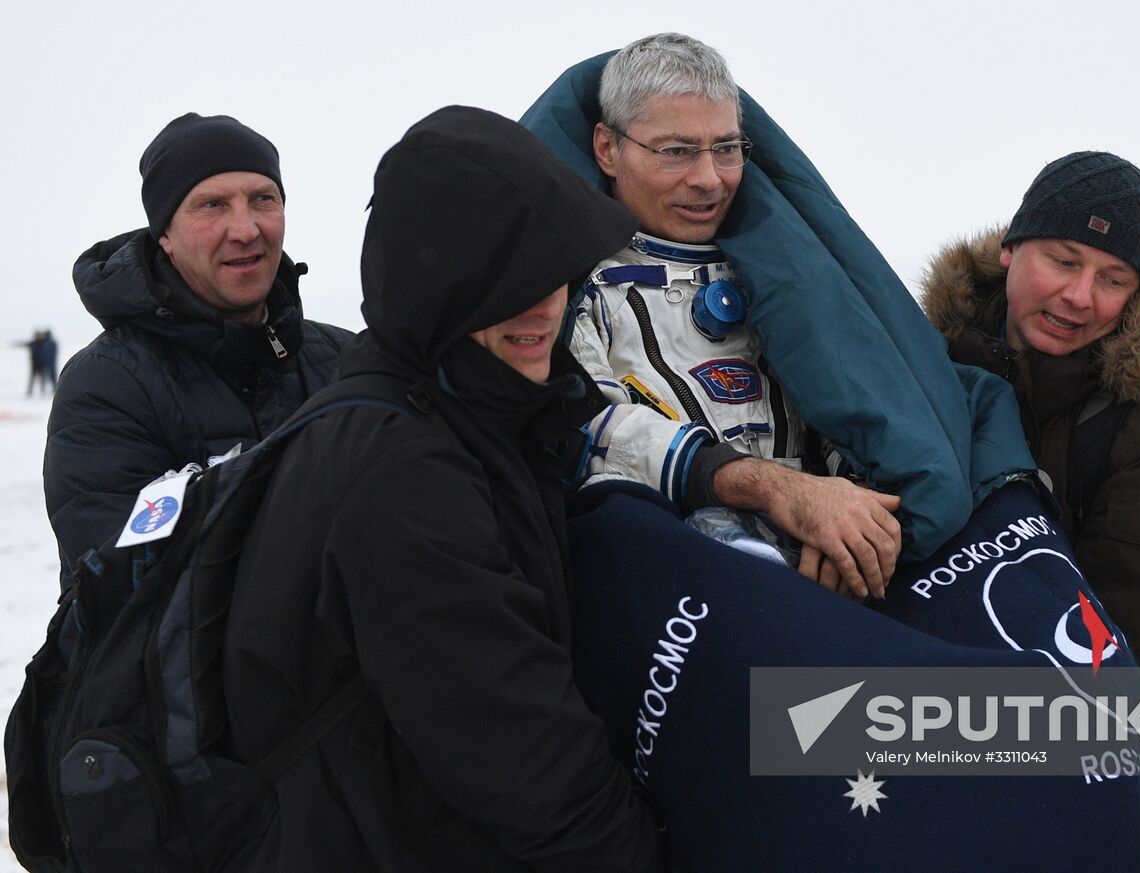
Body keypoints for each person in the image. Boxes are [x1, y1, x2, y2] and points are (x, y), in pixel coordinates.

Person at [222, 106, 662, 871]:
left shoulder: (472, 407)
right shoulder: (402, 473)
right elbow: (531, 770)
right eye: (504, 283)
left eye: (554, 267)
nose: (545, 304)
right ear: (438, 287)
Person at [920, 151, 1140, 803]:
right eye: (1063, 260)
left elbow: (1136, 676)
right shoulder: (923, 377)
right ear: (1011, 248)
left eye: (1113, 278)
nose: (1079, 296)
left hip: (1123, 792)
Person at [570, 33, 902, 599]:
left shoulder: (793, 274)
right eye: (676, 151)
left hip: (829, 571)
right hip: (669, 586)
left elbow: (858, 398)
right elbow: (583, 429)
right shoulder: (575, 287)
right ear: (607, 149)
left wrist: (852, 509)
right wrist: (772, 491)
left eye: (726, 148)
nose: (710, 178)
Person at [43, 113, 351, 579]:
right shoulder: (106, 386)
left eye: (262, 199)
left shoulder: (345, 362)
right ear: (164, 234)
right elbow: (129, 591)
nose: (245, 229)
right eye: (211, 205)